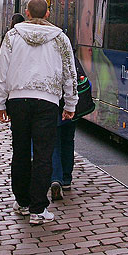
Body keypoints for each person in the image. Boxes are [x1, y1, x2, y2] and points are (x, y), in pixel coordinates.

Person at [0, 0, 77, 225]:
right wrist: (70, 104)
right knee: (43, 153)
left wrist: (0, 103)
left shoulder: (12, 36)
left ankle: (22, 202)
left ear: (28, 12)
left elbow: (2, 71)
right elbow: (69, 73)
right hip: (47, 100)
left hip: (18, 99)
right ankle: (38, 208)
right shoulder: (60, 38)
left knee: (20, 151)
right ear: (48, 14)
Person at [50, 54, 89, 201]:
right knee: (68, 141)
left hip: (53, 104)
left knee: (54, 143)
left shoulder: (47, 54)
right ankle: (66, 178)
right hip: (70, 105)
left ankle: (56, 179)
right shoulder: (69, 53)